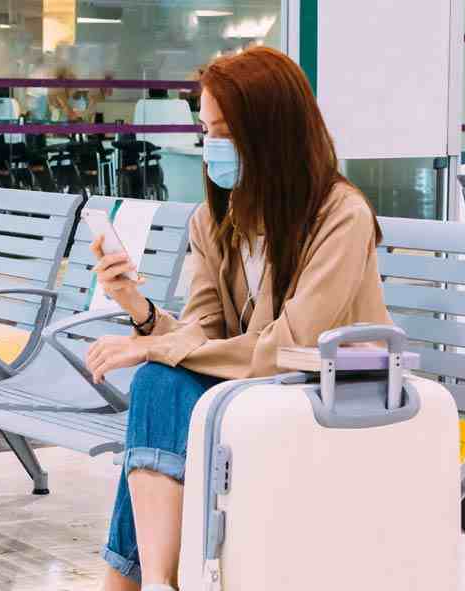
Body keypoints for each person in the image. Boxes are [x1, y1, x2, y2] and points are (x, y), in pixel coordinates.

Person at [85, 46, 391, 591]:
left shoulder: (342, 216)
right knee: (160, 382)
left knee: (161, 376)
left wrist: (155, 346)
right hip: (255, 394)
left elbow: (290, 345)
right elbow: (202, 332)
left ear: (272, 133)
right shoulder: (215, 219)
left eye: (225, 131)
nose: (212, 147)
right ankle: (158, 581)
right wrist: (137, 307)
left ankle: (129, 584)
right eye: (205, 130)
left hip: (334, 394)